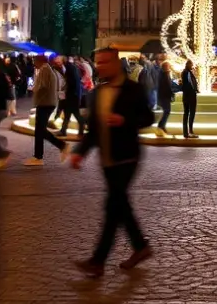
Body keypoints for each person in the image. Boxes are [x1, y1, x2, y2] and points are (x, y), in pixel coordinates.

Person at [71, 47, 155, 278]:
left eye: (105, 62)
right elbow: (93, 130)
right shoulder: (96, 94)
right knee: (121, 207)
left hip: (127, 157)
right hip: (106, 159)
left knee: (113, 207)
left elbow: (148, 117)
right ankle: (140, 247)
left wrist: (125, 120)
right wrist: (80, 152)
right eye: (98, 62)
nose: (100, 66)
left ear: (116, 64)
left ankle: (97, 261)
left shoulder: (133, 90)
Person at [26, 54, 68, 166]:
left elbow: (42, 85)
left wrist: (33, 88)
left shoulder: (44, 69)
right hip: (48, 103)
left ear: (39, 61)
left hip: (45, 103)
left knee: (40, 130)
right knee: (40, 130)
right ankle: (39, 156)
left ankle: (40, 156)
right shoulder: (47, 69)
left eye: (34, 61)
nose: (33, 63)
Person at [181, 60, 199, 138]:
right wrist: (195, 90)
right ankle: (190, 132)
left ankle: (186, 133)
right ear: (189, 65)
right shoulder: (188, 72)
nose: (192, 66)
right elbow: (191, 83)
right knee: (191, 113)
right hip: (190, 96)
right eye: (191, 65)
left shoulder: (184, 72)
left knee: (186, 114)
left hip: (186, 96)